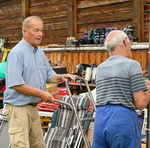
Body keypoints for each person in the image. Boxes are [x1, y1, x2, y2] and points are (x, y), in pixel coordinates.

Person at [4, 16, 77, 148]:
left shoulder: (40, 53)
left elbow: (49, 75)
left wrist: (62, 77)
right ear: (24, 31)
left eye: (41, 31)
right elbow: (16, 84)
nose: (40, 34)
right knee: (21, 146)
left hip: (33, 108)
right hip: (18, 109)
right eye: (36, 30)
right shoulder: (16, 53)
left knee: (38, 145)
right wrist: (41, 94)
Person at [92, 30, 150, 148]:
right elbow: (140, 103)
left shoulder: (100, 68)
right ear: (125, 42)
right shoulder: (132, 65)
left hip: (100, 118)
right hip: (122, 120)